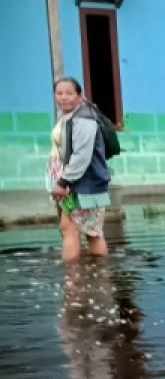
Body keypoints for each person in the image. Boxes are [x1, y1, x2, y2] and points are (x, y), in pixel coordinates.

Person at [47, 76, 112, 262]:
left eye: (69, 93)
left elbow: (81, 156)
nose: (63, 97)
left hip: (86, 184)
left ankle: (75, 280)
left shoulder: (84, 120)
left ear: (79, 96)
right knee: (85, 231)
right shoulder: (70, 117)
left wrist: (63, 181)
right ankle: (93, 276)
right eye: (59, 93)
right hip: (77, 184)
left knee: (84, 231)